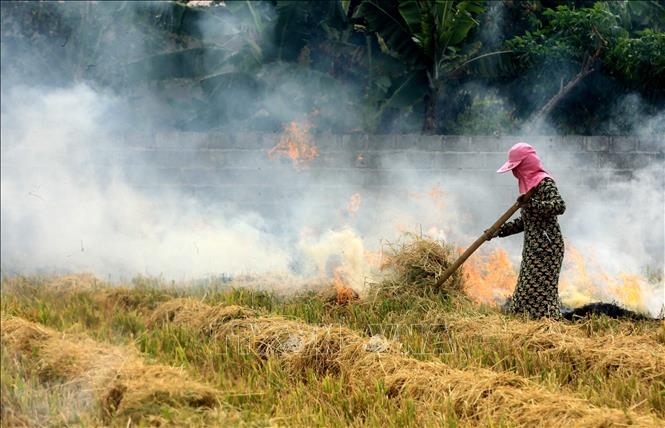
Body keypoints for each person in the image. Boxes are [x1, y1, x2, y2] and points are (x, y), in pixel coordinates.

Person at [490, 142, 566, 319]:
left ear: (526, 165)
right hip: (533, 248)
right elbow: (525, 222)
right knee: (526, 288)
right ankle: (524, 318)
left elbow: (559, 206)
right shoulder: (529, 190)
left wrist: (531, 204)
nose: (515, 174)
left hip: (548, 248)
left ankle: (546, 322)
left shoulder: (545, 183)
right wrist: (499, 231)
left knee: (540, 291)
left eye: (517, 168)